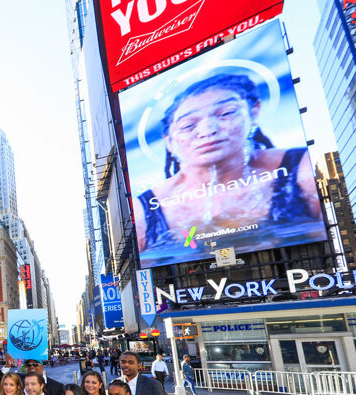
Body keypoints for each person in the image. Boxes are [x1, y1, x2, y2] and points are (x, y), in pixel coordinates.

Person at [133, 74, 321, 262]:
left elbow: (336, 244)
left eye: (226, 114)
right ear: (168, 141)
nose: (208, 131)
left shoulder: (303, 169)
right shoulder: (146, 210)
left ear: (253, 112)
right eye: (188, 125)